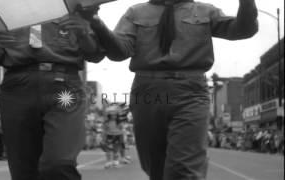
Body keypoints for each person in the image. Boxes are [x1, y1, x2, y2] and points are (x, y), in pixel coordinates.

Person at [81, 0, 258, 179]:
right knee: (155, 166)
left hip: (191, 92)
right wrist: (96, 22)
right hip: (147, 92)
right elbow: (119, 52)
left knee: (184, 169)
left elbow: (243, 29)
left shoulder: (205, 11)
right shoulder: (136, 13)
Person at [0, 3, 105, 180]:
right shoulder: (2, 10)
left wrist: (83, 33)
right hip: (18, 88)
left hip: (63, 89)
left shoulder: (74, 6)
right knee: (23, 170)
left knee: (58, 164)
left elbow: (96, 54)